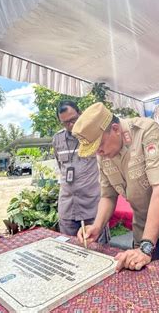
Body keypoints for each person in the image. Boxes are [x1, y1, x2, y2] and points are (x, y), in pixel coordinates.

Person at [72, 102, 159, 271]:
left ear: (115, 128)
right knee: (141, 277)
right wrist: (97, 226)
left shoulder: (146, 131)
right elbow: (108, 195)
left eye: (99, 145)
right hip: (144, 223)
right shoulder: (104, 153)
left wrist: (146, 247)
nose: (98, 152)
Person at [53, 100, 109, 243]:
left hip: (92, 207)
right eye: (65, 123)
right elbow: (61, 168)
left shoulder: (94, 135)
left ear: (81, 113)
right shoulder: (57, 139)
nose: (70, 125)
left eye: (73, 120)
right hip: (67, 208)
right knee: (70, 251)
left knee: (99, 252)